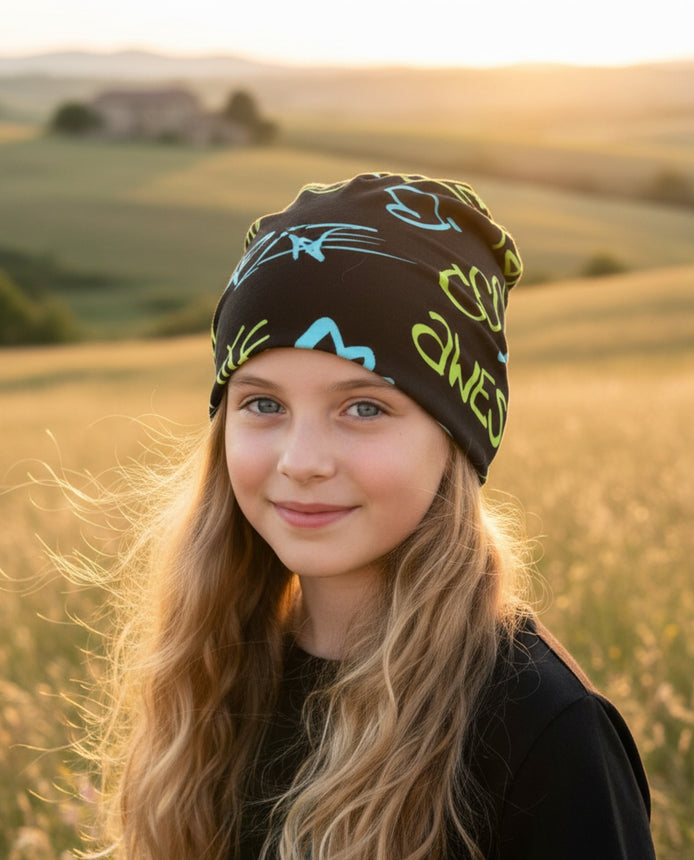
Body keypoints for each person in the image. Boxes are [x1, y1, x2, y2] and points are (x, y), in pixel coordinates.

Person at [80, 173, 655, 858]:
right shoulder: (213, 677)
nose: (302, 460)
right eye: (263, 404)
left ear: (455, 438)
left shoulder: (541, 730)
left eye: (364, 407)